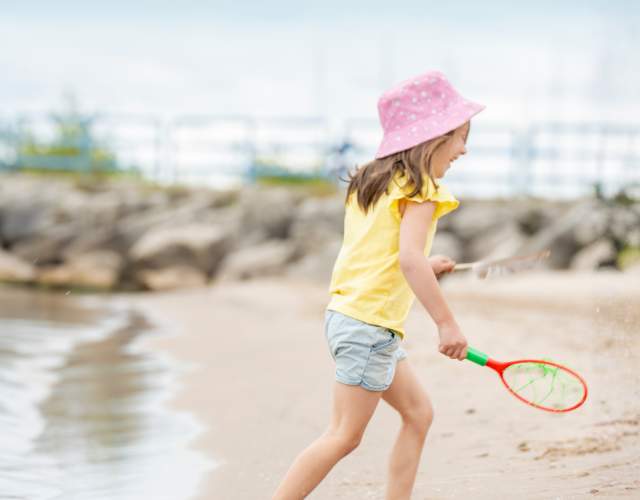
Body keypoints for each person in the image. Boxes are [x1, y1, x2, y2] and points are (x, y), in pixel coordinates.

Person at [272, 70, 486, 500]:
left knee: (418, 412)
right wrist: (447, 324)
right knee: (344, 435)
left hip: (350, 318)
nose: (463, 149)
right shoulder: (423, 190)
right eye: (460, 136)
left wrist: (427, 264)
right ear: (433, 137)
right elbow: (406, 258)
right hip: (368, 327)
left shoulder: (371, 181)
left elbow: (382, 252)